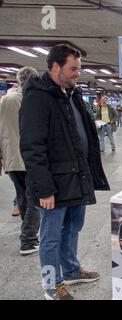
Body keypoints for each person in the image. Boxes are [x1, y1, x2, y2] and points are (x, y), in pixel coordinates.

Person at [19, 44, 110, 300]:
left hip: (76, 178)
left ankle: (70, 270)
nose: (76, 74)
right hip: (53, 185)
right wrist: (44, 188)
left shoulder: (71, 94)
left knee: (73, 227)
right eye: (73, 69)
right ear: (55, 67)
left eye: (79, 69)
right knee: (50, 237)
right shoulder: (38, 97)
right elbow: (32, 147)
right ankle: (52, 283)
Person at [0, 66, 40, 255]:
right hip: (28, 158)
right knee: (35, 200)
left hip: (11, 158)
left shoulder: (6, 99)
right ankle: (28, 241)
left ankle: (27, 233)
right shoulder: (28, 99)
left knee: (23, 197)